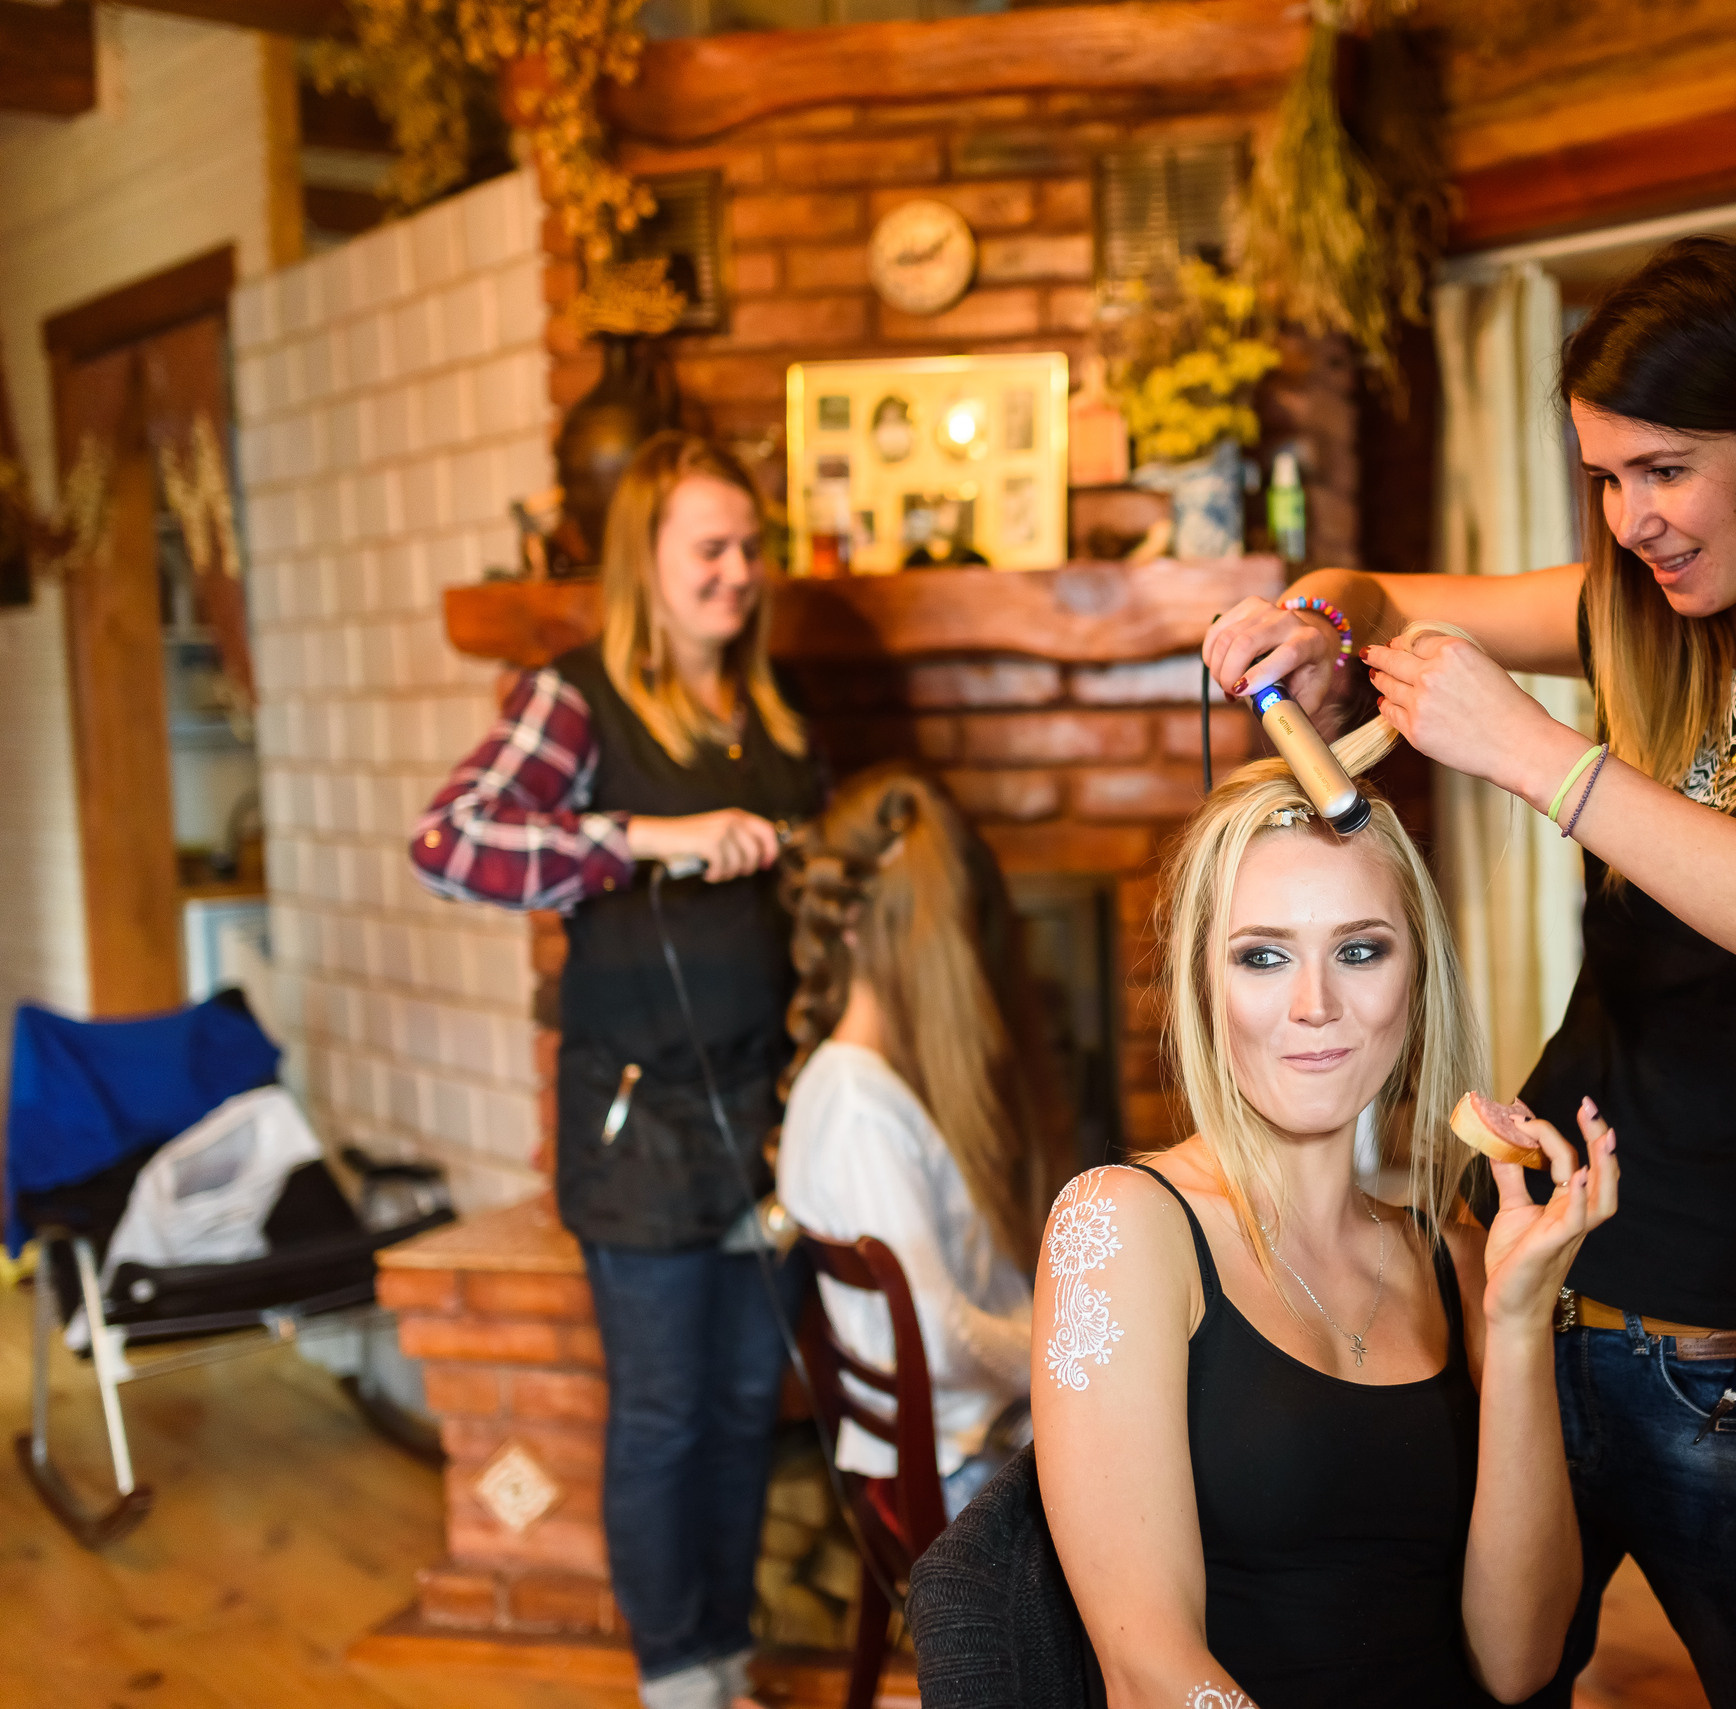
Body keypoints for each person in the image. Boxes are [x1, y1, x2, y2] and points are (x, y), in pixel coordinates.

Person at [1201, 235, 1736, 1708]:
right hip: (1533, 1281)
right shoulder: (1647, 616)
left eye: (1665, 469)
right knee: (1486, 1681)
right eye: (1602, 476)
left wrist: (1535, 753)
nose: (1629, 519)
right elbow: (1367, 591)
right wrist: (1311, 626)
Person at [1032, 742, 1621, 1708]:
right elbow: (1146, 1671)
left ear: (1415, 978)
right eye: (1263, 956)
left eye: (1360, 950)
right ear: (1203, 983)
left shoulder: (1457, 1256)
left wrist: (1519, 1323)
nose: (1316, 1006)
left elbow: (1519, 1661)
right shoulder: (1120, 1229)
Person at [412, 430, 821, 1709]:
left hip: (767, 1116)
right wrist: (642, 836)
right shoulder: (573, 698)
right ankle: (677, 1678)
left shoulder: (766, 707)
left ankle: (728, 1659)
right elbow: (449, 840)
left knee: (748, 1403)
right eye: (710, 547)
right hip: (638, 1126)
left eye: (750, 546)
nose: (738, 571)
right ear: (644, 559)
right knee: (664, 1413)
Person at [774, 763, 1070, 1516]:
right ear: (851, 926)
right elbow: (937, 1339)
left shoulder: (867, 1082)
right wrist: (1065, 1352)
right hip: (956, 1466)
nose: (955, 951)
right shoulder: (860, 1110)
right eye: (930, 927)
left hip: (978, 1427)